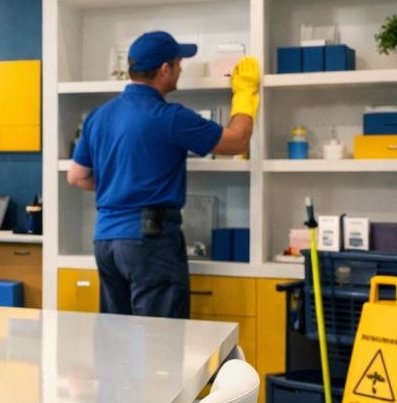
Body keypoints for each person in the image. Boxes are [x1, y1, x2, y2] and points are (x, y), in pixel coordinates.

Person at [66, 31, 259, 318]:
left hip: (105, 241)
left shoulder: (98, 117)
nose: (181, 69)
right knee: (161, 342)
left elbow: (76, 177)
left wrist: (120, 185)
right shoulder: (169, 117)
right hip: (149, 241)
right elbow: (236, 142)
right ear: (165, 69)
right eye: (179, 62)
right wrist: (245, 94)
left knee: (117, 337)